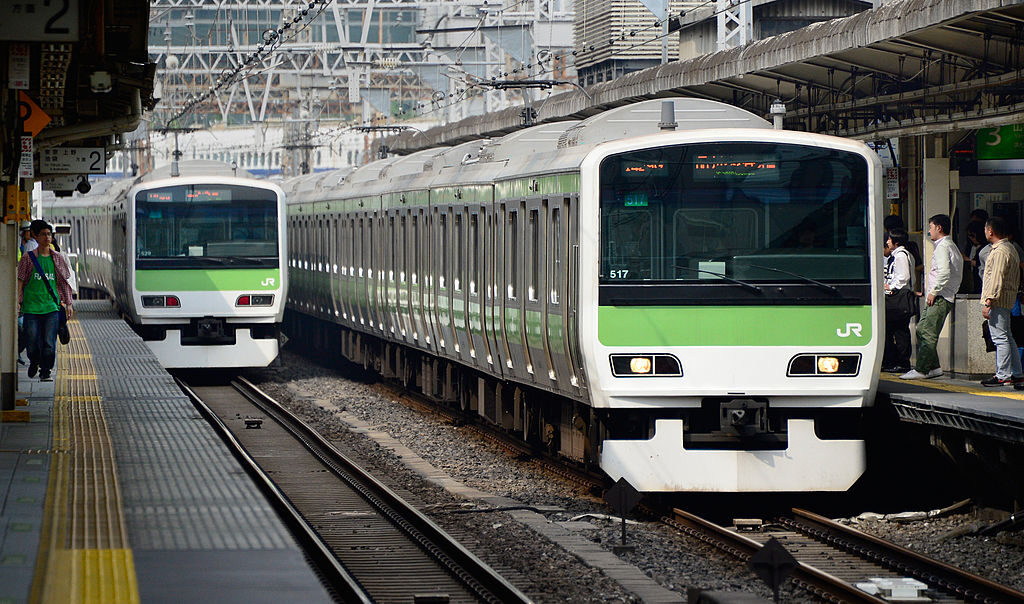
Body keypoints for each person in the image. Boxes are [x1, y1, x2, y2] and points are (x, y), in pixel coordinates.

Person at [901, 214, 963, 380]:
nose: (929, 231)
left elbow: (944, 272)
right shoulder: (950, 246)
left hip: (941, 296)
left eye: (930, 227)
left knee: (927, 331)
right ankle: (934, 367)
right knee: (922, 329)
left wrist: (933, 291)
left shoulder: (943, 247)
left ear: (939, 228)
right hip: (942, 295)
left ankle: (922, 369)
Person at [17, 220, 74, 382]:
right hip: (31, 308)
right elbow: (20, 281)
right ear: (35, 236)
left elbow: (63, 282)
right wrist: (18, 301)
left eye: (49, 234)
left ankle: (46, 371)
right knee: (32, 341)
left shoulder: (58, 258)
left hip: (51, 308)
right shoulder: (28, 259)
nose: (47, 237)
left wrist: (68, 303)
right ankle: (34, 361)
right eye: (43, 234)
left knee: (49, 343)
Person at [979, 216, 1024, 388]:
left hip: (998, 300)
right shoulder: (1010, 248)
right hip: (1007, 298)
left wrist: (988, 301)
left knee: (1000, 337)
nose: (985, 232)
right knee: (1008, 336)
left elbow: (996, 278)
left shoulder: (999, 251)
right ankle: (1017, 374)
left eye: (985, 229)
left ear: (991, 230)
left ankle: (1003, 375)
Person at [882, 228, 914, 372]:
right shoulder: (897, 255)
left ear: (896, 241)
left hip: (898, 298)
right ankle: (894, 361)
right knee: (894, 330)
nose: (887, 242)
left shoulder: (900, 255)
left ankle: (901, 362)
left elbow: (903, 277)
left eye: (889, 239)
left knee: (900, 331)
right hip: (896, 297)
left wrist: (891, 287)